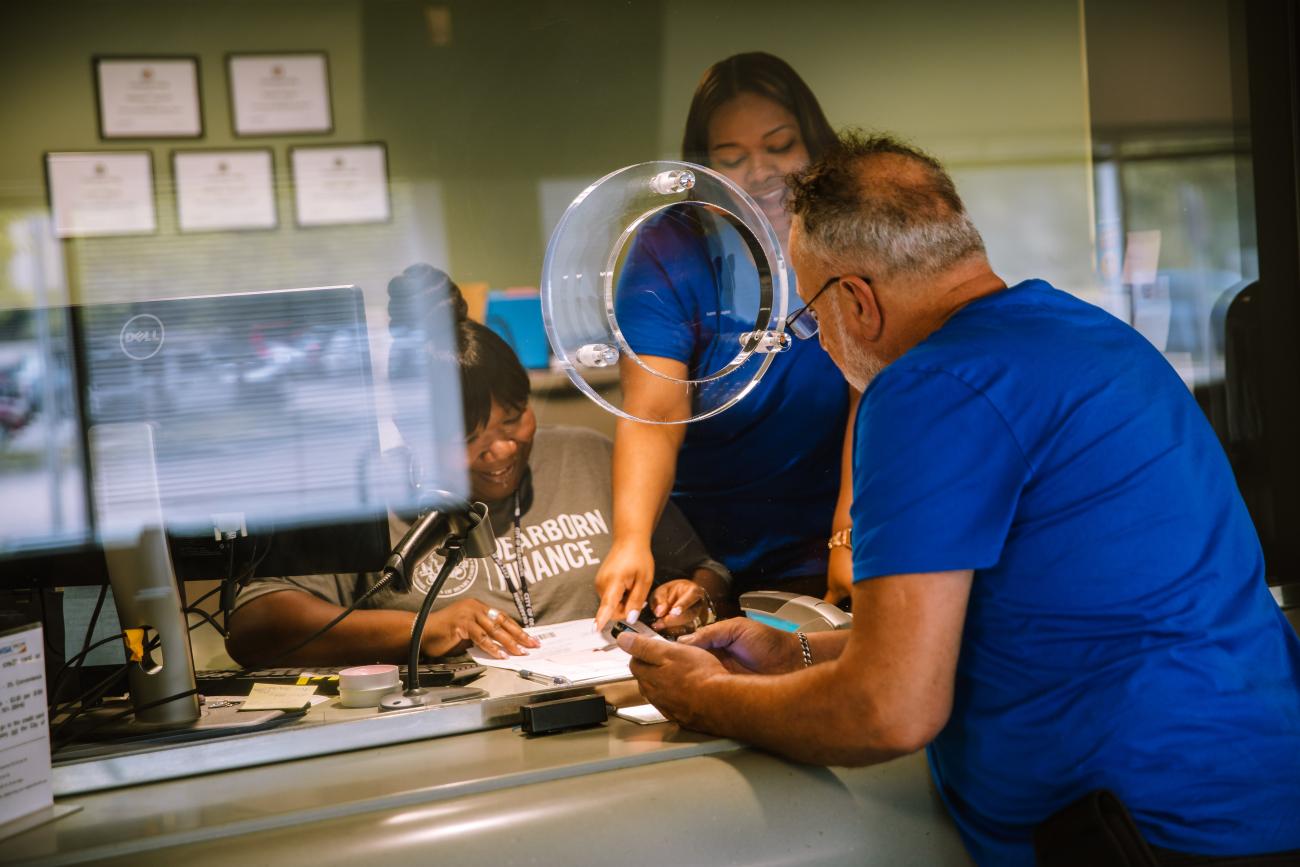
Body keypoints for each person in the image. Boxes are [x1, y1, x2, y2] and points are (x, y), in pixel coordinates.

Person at [616, 133, 1300, 865]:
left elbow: (889, 709)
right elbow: (1016, 614)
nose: (816, 343)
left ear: (857, 301)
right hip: (1259, 787)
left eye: (810, 317)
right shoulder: (1091, 335)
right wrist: (800, 651)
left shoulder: (927, 387)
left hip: (1155, 830)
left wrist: (706, 697)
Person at [226, 265, 728, 667]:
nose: (503, 449)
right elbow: (257, 625)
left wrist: (690, 600)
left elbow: (708, 574)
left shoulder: (587, 456)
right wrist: (424, 628)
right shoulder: (367, 493)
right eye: (469, 439)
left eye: (513, 421)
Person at [596, 52, 856, 630]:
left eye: (780, 144)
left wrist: (847, 531)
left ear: (813, 142)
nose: (759, 171)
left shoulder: (849, 233)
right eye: (730, 157)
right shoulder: (671, 246)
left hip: (828, 539)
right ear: (701, 165)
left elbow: (875, 392)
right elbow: (653, 410)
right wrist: (633, 540)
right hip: (701, 555)